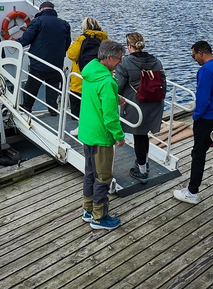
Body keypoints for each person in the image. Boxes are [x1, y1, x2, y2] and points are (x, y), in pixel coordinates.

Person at [174, 40, 213, 204]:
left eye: (194, 56)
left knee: (198, 155)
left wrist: (196, 115)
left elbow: (203, 98)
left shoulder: (206, 70)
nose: (194, 60)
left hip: (207, 119)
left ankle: (192, 191)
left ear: (201, 52)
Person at [79, 40, 127, 231]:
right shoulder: (108, 81)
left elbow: (97, 97)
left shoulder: (91, 72)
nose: (120, 63)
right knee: (103, 177)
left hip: (87, 132)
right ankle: (99, 217)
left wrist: (116, 97)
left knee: (90, 173)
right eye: (119, 59)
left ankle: (87, 209)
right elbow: (110, 116)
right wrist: (119, 135)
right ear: (109, 58)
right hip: (101, 136)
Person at [114, 32, 166, 184]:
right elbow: (163, 84)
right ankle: (144, 162)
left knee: (139, 135)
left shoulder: (125, 63)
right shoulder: (156, 61)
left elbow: (120, 85)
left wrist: (116, 98)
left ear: (129, 46)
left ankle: (142, 170)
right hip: (155, 103)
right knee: (144, 135)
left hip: (137, 104)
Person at [17, 1, 71, 116]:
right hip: (56, 63)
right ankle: (53, 109)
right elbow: (67, 43)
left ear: (41, 9)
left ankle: (27, 107)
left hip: (39, 62)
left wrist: (14, 43)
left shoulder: (37, 21)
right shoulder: (64, 24)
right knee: (53, 86)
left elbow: (26, 39)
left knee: (32, 85)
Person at [67, 17, 108, 120]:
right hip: (100, 81)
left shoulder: (81, 40)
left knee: (77, 113)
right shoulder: (106, 40)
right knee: (96, 111)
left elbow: (71, 55)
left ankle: (78, 128)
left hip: (80, 80)